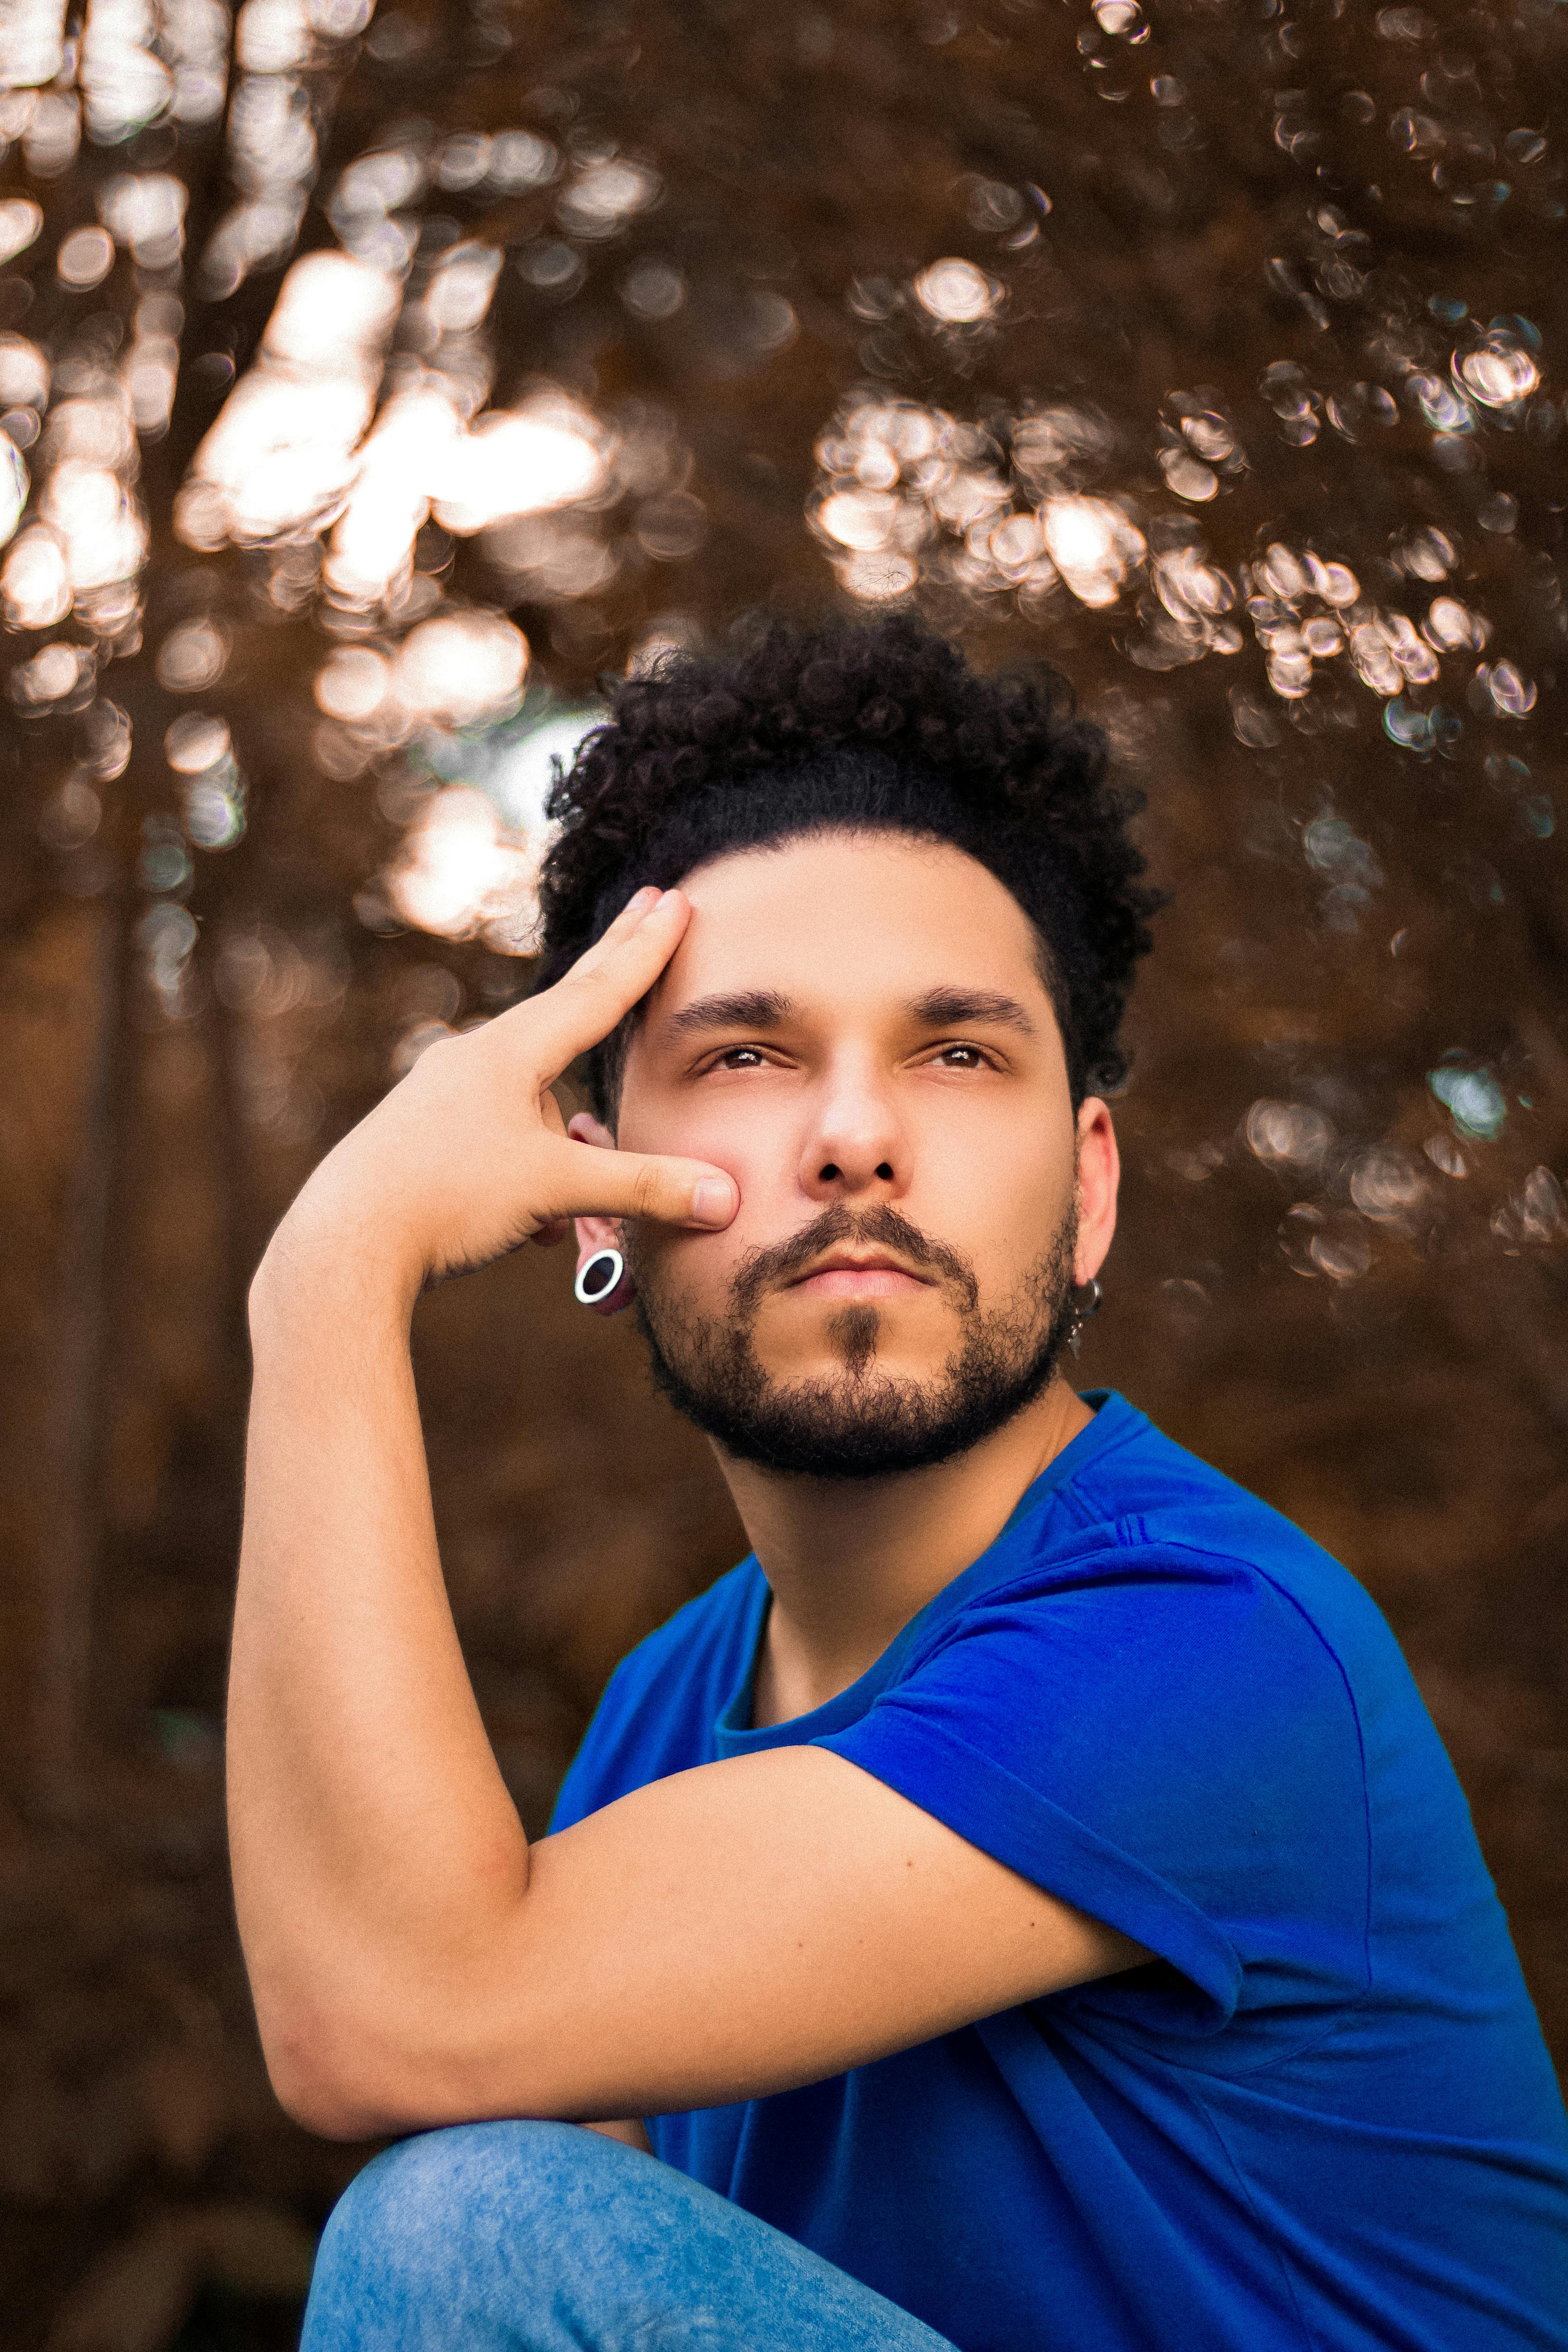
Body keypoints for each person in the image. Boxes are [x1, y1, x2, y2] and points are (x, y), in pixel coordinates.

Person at [231, 617, 1568, 2352]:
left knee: (469, 2233)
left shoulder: (1212, 1649)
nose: (854, 1136)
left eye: (956, 1053)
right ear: (592, 1196)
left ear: (1088, 1195)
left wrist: (327, 1271)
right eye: (745, 1054)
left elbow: (389, 2014)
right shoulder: (665, 1715)